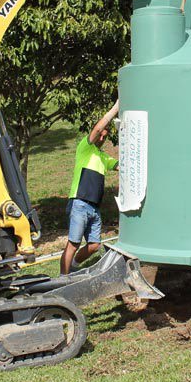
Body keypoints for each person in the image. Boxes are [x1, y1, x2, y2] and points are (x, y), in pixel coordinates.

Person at [60, 101, 120, 275]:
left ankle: (73, 267)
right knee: (73, 243)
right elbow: (97, 129)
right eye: (100, 135)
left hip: (94, 207)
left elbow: (121, 166)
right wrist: (115, 110)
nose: (101, 138)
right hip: (79, 203)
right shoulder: (85, 148)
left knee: (94, 245)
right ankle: (62, 278)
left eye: (104, 136)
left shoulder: (103, 157)